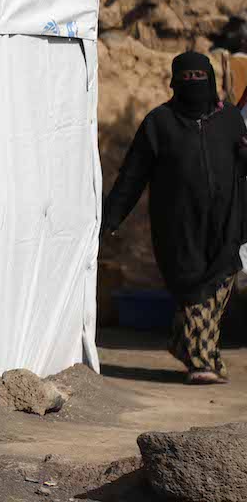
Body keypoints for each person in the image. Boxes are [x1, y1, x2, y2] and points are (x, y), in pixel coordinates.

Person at [102, 51, 247, 384]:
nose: (194, 85)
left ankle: (193, 349)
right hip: (178, 231)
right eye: (187, 79)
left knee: (215, 291)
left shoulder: (230, 121)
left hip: (226, 227)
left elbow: (241, 167)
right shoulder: (159, 123)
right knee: (194, 293)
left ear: (210, 80)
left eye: (200, 78)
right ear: (174, 83)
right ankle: (203, 362)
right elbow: (132, 176)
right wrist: (111, 219)